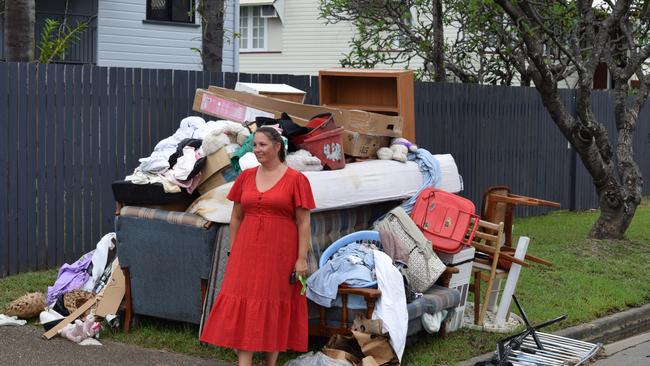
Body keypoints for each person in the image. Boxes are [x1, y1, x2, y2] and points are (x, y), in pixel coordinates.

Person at [200, 126, 316, 366]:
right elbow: (236, 218)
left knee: (274, 302)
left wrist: (301, 259)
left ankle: (270, 363)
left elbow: (304, 222)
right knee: (245, 303)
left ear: (277, 147)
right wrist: (234, 251)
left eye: (262, 144)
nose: (257, 149)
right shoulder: (245, 177)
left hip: (280, 254)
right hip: (246, 251)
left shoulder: (297, 180)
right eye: (254, 145)